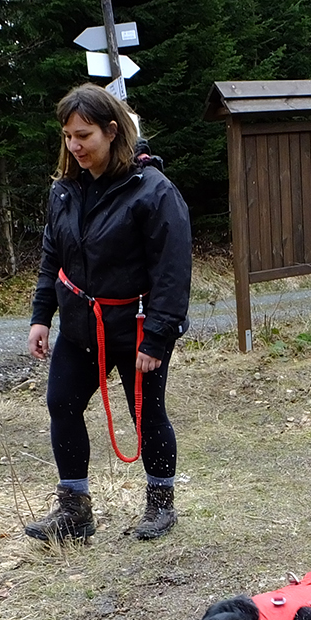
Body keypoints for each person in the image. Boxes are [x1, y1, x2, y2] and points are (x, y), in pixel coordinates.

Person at [24, 83, 192, 544]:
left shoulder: (152, 190)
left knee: (148, 414)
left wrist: (157, 337)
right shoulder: (64, 191)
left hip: (136, 326)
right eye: (67, 136)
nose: (74, 146)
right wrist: (42, 315)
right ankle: (74, 511)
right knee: (61, 402)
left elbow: (173, 271)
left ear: (112, 131)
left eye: (84, 135)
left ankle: (161, 504)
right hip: (81, 326)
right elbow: (51, 256)